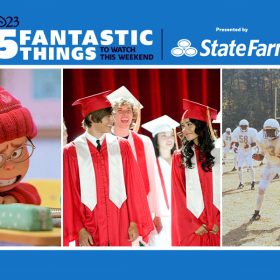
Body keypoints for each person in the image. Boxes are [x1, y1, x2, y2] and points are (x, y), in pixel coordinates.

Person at [63, 90, 153, 246]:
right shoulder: (71, 152)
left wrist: (134, 221)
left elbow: (134, 187)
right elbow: (70, 194)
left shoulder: (122, 146)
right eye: (108, 116)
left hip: (120, 224)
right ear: (92, 118)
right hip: (90, 228)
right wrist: (79, 229)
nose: (113, 120)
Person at [107, 86, 169, 245]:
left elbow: (153, 179)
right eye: (119, 110)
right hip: (114, 208)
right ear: (111, 115)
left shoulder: (145, 142)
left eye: (128, 110)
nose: (125, 114)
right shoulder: (104, 142)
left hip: (144, 207)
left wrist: (157, 214)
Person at [171, 99, 220, 246]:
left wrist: (219, 221)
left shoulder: (218, 153)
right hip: (194, 227)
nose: (184, 130)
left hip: (216, 226)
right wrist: (192, 224)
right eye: (182, 126)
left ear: (201, 125)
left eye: (189, 124)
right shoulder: (180, 157)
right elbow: (177, 194)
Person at [142, 115, 179, 247]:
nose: (169, 139)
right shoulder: (151, 163)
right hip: (161, 216)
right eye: (163, 136)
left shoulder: (181, 160)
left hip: (181, 214)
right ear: (156, 140)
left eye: (170, 135)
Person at [0, 87, 40, 205]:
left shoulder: (16, 191)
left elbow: (32, 194)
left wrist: (12, 200)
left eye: (16, 153)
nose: (9, 165)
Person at [250, 118, 280, 222]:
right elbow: (261, 156)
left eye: (272, 130)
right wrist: (257, 156)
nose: (270, 133)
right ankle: (257, 213)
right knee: (261, 188)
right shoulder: (260, 137)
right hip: (271, 164)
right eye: (267, 131)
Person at [231, 119, 257, 190]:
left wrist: (249, 145)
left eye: (245, 126)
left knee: (250, 166)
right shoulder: (236, 131)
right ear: (239, 126)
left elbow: (255, 142)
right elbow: (236, 142)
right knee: (239, 167)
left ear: (248, 126)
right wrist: (236, 147)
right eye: (242, 126)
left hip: (250, 151)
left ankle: (253, 182)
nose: (243, 128)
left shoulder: (252, 131)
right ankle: (241, 183)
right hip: (241, 150)